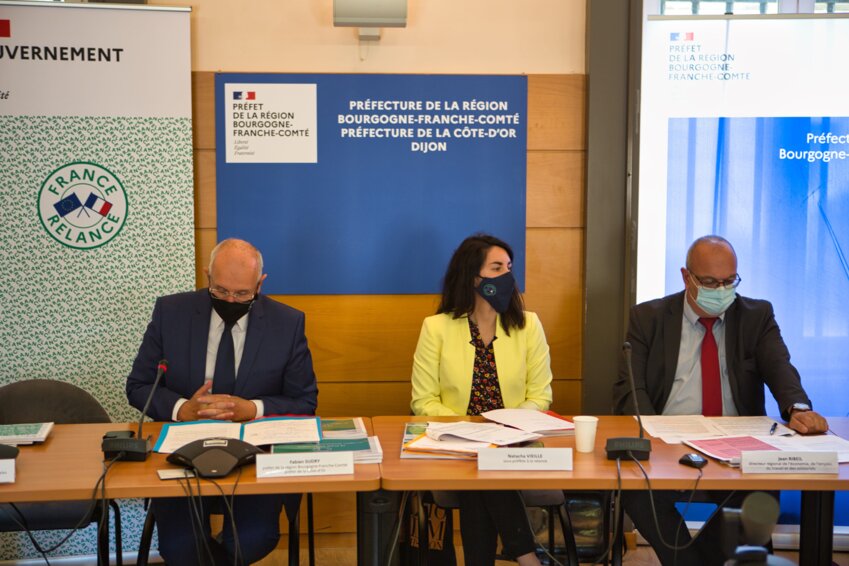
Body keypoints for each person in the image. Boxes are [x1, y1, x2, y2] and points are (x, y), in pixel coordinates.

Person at [613, 235, 828, 566]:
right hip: (669, 442)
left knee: (762, 491)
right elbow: (631, 389)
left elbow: (780, 367)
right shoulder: (648, 317)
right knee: (635, 490)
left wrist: (798, 408)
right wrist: (655, 437)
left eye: (730, 281)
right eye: (711, 282)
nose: (722, 290)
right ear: (686, 277)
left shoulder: (757, 315)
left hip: (737, 445)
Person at [126, 238, 318, 566]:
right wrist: (182, 409)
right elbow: (139, 386)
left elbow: (304, 400)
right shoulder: (171, 313)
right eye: (221, 290)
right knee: (180, 547)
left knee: (252, 540)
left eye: (242, 294)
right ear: (207, 276)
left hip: (255, 456)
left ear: (260, 284)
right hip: (181, 454)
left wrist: (252, 409)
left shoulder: (287, 323)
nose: (230, 300)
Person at [411, 234, 553, 566]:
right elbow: (423, 401)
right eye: (496, 267)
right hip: (457, 442)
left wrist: (504, 429)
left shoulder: (529, 325)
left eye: (509, 268)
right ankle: (527, 556)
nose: (507, 276)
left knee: (485, 468)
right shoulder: (436, 328)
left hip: (515, 440)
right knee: (481, 465)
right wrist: (472, 431)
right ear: (473, 277)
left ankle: (520, 557)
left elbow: (541, 396)